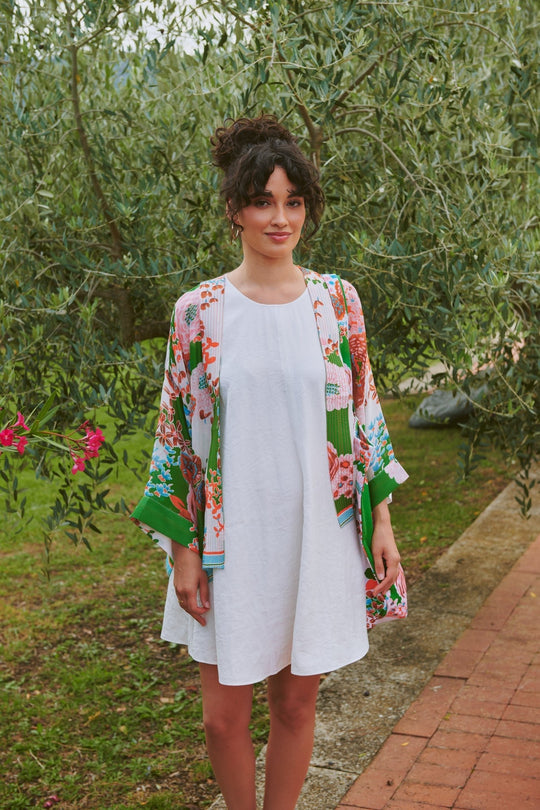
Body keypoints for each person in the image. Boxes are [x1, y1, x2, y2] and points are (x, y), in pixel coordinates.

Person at [131, 114, 408, 810]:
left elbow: (365, 412)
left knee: (294, 707)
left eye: (293, 201)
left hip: (316, 535)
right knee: (221, 717)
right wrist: (183, 549)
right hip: (230, 541)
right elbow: (175, 439)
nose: (279, 218)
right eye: (263, 201)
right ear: (235, 210)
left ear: (306, 207)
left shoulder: (338, 304)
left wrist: (381, 519)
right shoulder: (199, 312)